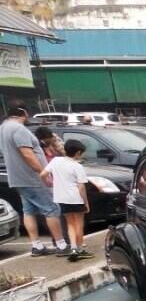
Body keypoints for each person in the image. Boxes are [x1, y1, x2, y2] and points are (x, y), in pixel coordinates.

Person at [0, 107, 68, 257]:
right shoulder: (18, 129)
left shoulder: (3, 128)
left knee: (29, 210)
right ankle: (62, 245)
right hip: (32, 177)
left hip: (17, 177)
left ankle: (36, 245)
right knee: (51, 208)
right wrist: (43, 174)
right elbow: (28, 154)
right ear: (22, 114)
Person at [41, 139, 93, 261]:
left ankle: (73, 248)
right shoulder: (77, 166)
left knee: (70, 224)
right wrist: (85, 202)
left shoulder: (56, 161)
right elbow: (81, 186)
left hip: (61, 197)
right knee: (79, 225)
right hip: (76, 198)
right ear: (78, 153)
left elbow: (43, 174)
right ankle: (80, 249)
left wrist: (50, 183)